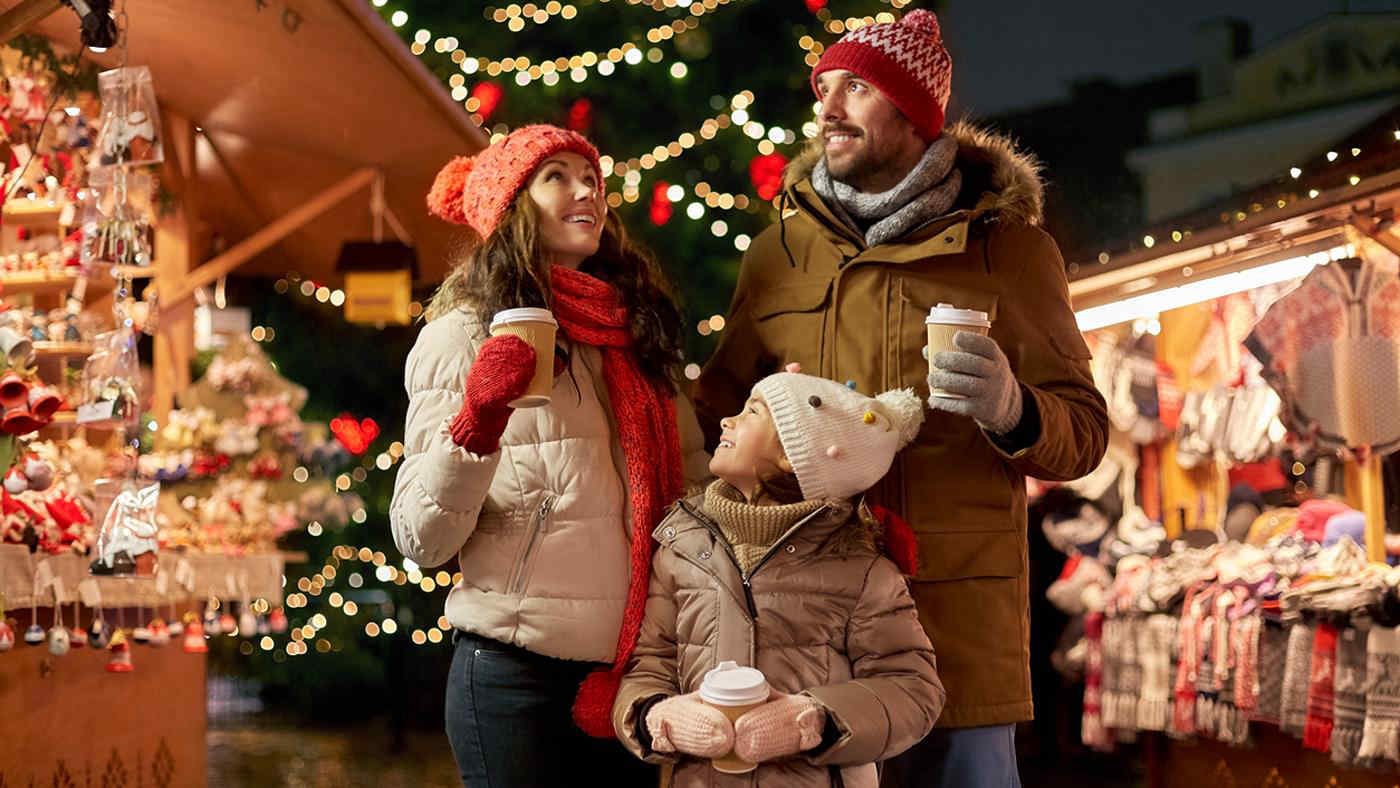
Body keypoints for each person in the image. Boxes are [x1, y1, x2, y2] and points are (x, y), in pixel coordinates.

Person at [693, 10, 1109, 787]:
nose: (828, 106)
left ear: (915, 113)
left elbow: (1083, 434)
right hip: (810, 638)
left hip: (956, 627)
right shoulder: (776, 256)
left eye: (857, 87)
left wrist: (1011, 408)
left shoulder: (1011, 253)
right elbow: (712, 422)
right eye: (824, 87)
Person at [391, 125, 711, 787]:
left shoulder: (636, 335)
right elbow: (421, 538)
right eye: (556, 175)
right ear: (513, 208)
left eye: (590, 175)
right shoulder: (461, 336)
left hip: (634, 678)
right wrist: (477, 422)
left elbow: (695, 498)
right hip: (516, 679)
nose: (585, 188)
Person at [613, 370, 944, 786]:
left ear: (793, 454)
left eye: (751, 412)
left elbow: (913, 689)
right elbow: (650, 664)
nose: (725, 421)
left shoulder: (861, 569)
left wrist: (816, 721)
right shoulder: (681, 547)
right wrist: (654, 715)